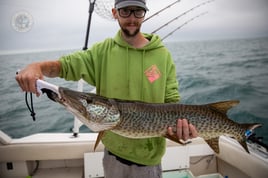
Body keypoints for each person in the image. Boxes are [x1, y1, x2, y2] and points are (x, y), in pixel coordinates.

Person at [16, 0, 198, 177]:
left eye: (138, 11)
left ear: (144, 14)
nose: (132, 18)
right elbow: (66, 66)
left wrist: (180, 128)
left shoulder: (162, 55)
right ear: (114, 13)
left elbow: (172, 101)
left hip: (149, 161)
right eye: (125, 11)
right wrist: (37, 67)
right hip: (112, 156)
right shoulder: (102, 52)